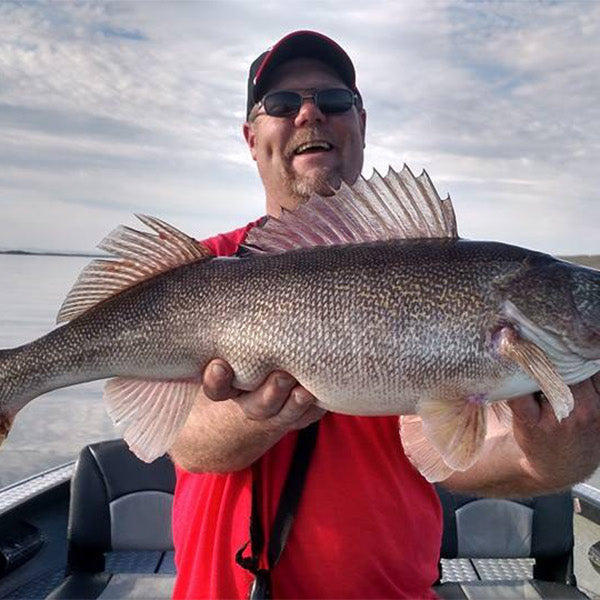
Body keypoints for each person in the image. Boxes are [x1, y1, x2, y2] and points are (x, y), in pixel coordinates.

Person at [169, 30, 600, 599]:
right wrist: (261, 417)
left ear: (362, 123)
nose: (309, 114)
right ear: (252, 138)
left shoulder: (454, 282)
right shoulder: (200, 272)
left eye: (334, 100)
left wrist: (558, 451)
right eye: (281, 103)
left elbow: (468, 453)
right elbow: (180, 442)